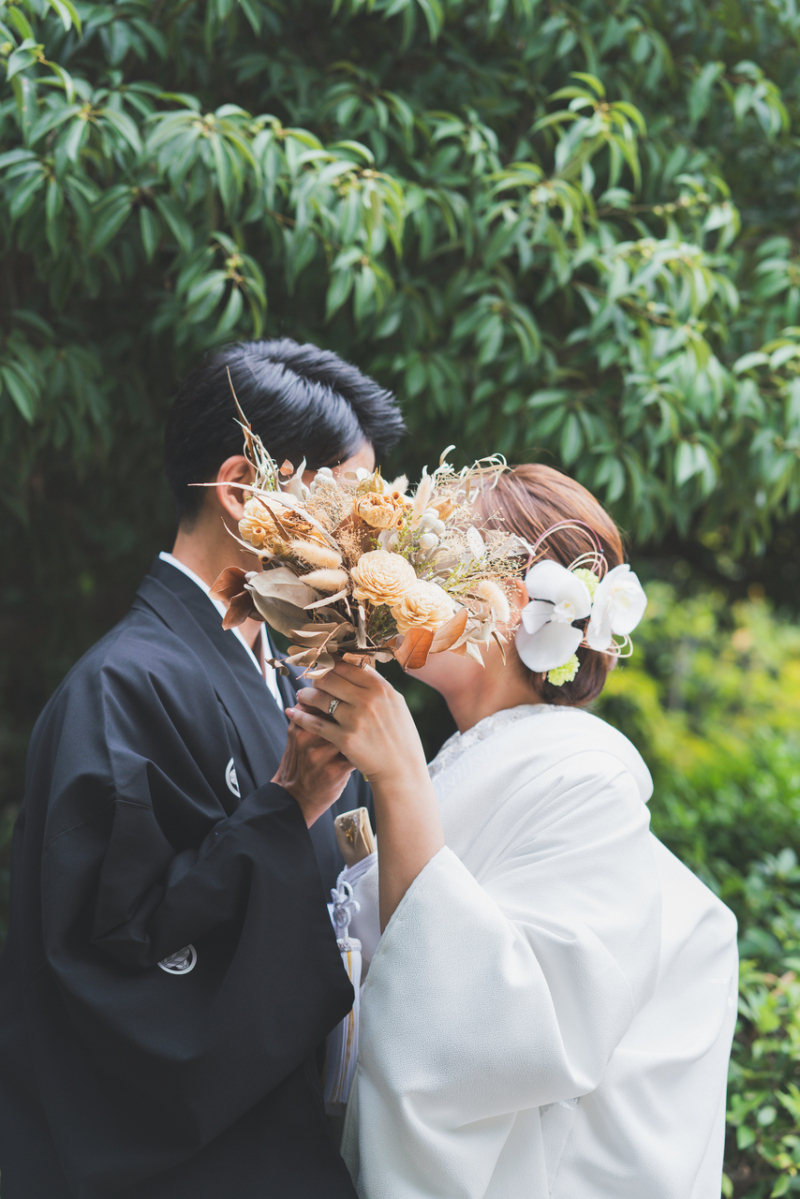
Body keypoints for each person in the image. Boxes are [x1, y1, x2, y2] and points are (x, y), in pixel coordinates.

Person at [0, 338, 405, 1199]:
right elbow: (113, 955)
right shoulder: (119, 688)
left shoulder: (292, 679)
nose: (366, 540)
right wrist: (286, 804)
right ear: (241, 490)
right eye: (348, 508)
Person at [288, 464, 739, 1199]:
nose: (405, 574)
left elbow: (518, 1026)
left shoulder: (587, 778)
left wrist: (400, 780)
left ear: (518, 603)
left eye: (440, 555)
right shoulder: (481, 759)